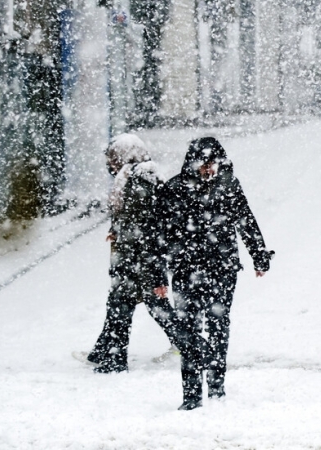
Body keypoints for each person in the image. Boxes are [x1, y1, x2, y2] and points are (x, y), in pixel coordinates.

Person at [156, 136, 273, 410]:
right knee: (187, 329)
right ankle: (191, 394)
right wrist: (159, 276)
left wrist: (259, 256)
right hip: (186, 271)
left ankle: (217, 388)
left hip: (222, 269)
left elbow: (246, 220)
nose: (208, 169)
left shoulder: (228, 186)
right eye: (203, 164)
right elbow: (159, 236)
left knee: (219, 325)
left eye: (213, 164)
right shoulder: (175, 189)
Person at [79, 134, 190, 373]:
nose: (110, 163)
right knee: (125, 305)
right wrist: (117, 230)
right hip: (134, 257)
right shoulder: (132, 176)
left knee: (127, 305)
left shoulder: (139, 179)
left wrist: (151, 264)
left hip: (138, 259)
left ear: (125, 155)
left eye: (113, 157)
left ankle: (115, 359)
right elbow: (133, 218)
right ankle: (105, 353)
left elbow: (147, 224)